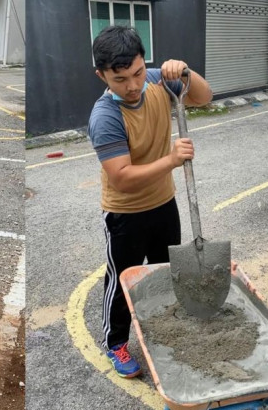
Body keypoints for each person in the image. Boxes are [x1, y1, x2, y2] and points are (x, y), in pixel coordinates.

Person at [88, 26, 213, 377]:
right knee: (122, 281)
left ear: (145, 63)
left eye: (138, 73)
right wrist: (172, 160)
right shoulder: (105, 116)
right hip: (125, 214)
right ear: (102, 76)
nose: (132, 85)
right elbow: (122, 177)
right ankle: (115, 342)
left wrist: (186, 72)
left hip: (164, 204)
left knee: (163, 273)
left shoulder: (158, 82)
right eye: (120, 79)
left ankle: (160, 330)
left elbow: (204, 97)